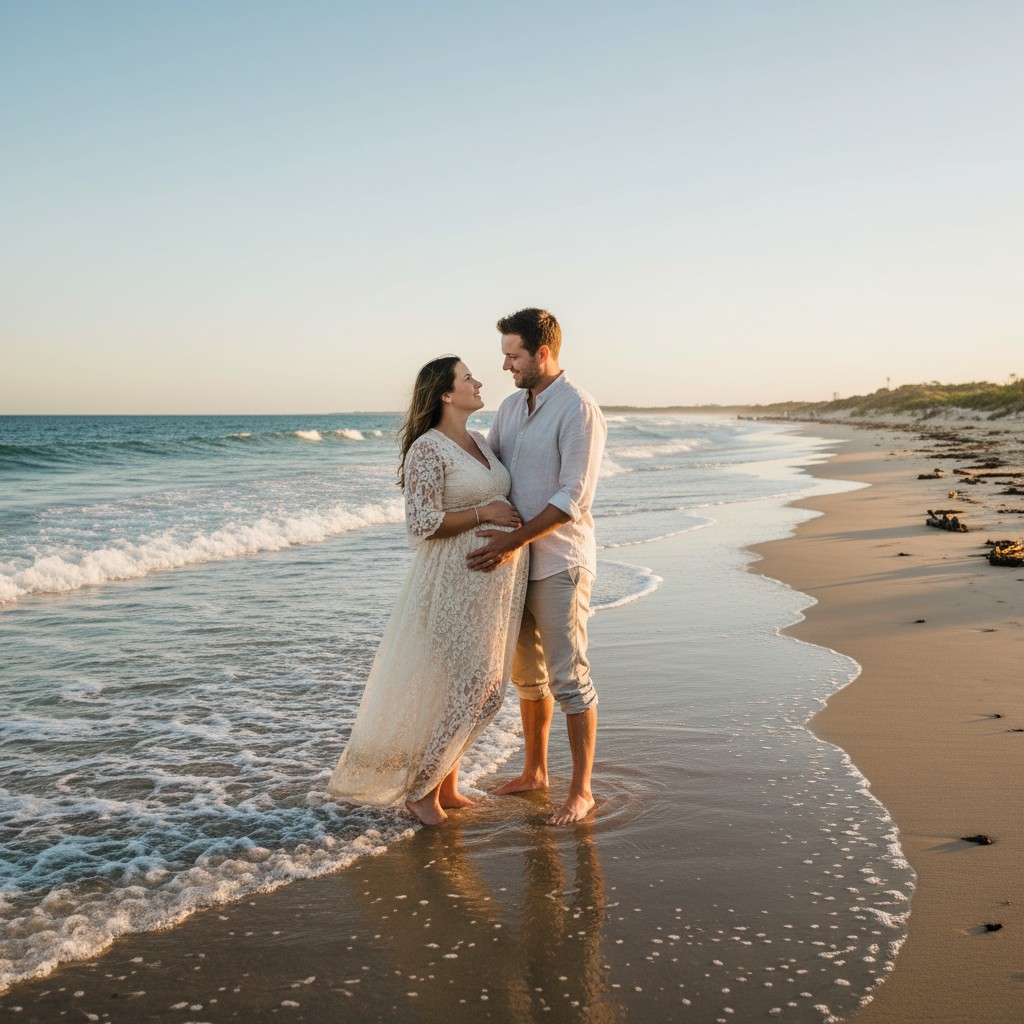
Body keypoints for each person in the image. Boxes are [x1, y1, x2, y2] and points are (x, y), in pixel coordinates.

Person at [328, 356, 528, 826]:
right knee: (480, 690)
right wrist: (485, 516)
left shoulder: (478, 441)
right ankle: (420, 792)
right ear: (445, 393)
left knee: (470, 688)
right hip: (453, 584)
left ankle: (447, 785)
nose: (479, 382)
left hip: (492, 586)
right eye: (467, 378)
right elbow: (421, 524)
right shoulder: (427, 449)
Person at [467, 308, 607, 825]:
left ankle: (582, 791)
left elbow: (575, 495)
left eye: (513, 355)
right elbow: (492, 467)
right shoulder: (508, 407)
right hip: (517, 565)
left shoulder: (577, 409)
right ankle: (534, 773)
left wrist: (513, 540)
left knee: (570, 679)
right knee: (529, 678)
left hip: (560, 562)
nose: (506, 365)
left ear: (542, 353)